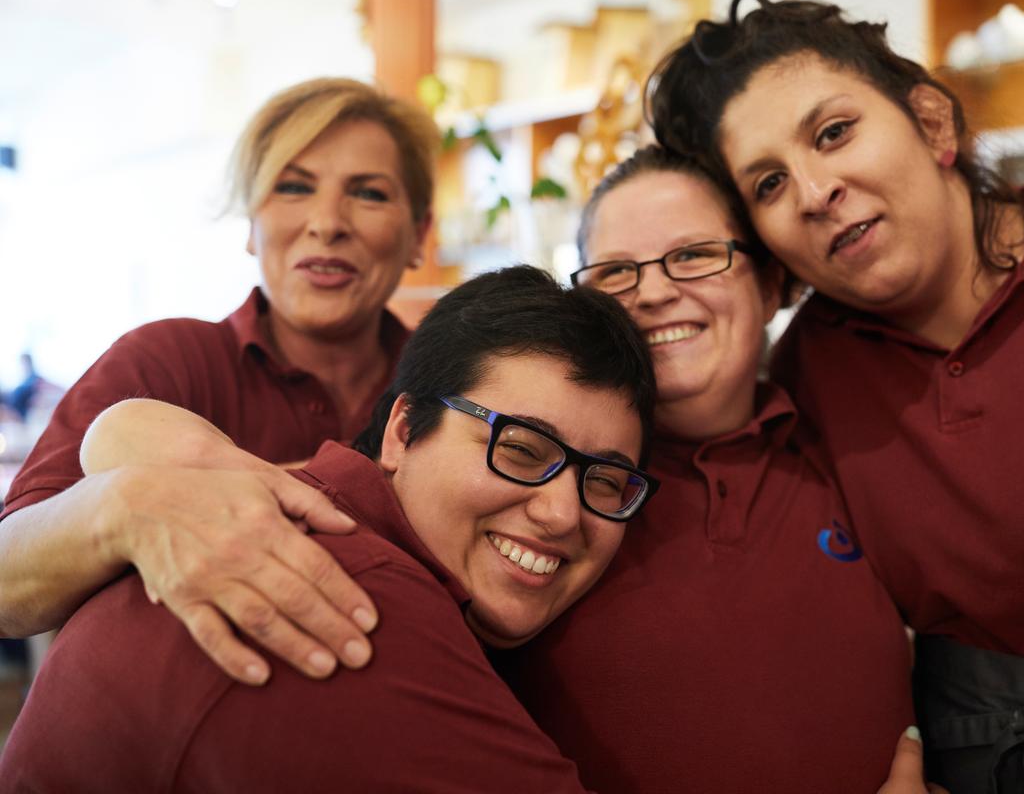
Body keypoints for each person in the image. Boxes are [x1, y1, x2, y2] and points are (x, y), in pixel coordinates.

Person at [648, 0, 1024, 790]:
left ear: (934, 124)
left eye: (833, 132)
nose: (813, 190)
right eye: (768, 183)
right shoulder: (807, 375)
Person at [0, 266, 659, 792]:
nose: (564, 512)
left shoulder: (333, 512)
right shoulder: (349, 596)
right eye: (520, 448)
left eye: (604, 482)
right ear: (402, 432)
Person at [498, 146, 916, 793]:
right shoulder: (531, 481)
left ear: (771, 282)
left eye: (693, 255)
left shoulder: (856, 449)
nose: (657, 292)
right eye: (615, 272)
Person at [0, 77, 441, 685]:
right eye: (292, 187)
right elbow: (6, 587)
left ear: (418, 233)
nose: (326, 222)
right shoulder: (162, 364)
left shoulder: (456, 385)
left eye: (368, 193)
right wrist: (126, 507)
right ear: (251, 225)